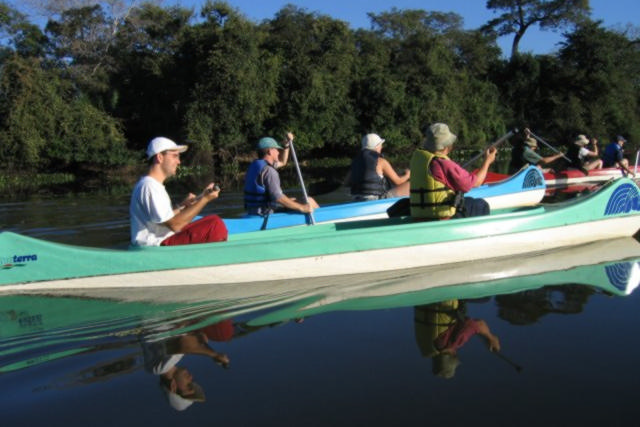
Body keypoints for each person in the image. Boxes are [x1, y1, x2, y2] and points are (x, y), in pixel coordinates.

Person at [129, 136, 228, 246]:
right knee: (215, 224)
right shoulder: (150, 186)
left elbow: (165, 219)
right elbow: (175, 225)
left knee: (211, 220)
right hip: (157, 245)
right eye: (175, 156)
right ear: (160, 157)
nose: (179, 162)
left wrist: (183, 206)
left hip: (162, 240)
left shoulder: (150, 185)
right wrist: (205, 199)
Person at [409, 122, 496, 220]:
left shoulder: (419, 159)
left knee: (469, 201)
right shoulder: (443, 164)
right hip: (442, 217)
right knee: (481, 205)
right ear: (446, 146)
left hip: (421, 216)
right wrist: (487, 161)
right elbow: (477, 182)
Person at [142, 330, 230, 411]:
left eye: (188, 386)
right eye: (192, 382)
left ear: (173, 387)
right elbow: (189, 341)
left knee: (225, 332)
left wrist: (215, 355)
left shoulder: (159, 368)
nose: (191, 378)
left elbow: (185, 343)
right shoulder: (155, 366)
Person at [414, 300, 500, 379]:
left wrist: (490, 337)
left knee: (485, 299)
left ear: (453, 356)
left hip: (445, 297)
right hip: (426, 300)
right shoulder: (426, 345)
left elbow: (479, 324)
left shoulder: (452, 344)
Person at [244, 132, 319, 216]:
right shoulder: (269, 171)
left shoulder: (255, 165)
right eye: (276, 149)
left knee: (307, 200)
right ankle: (321, 222)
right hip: (265, 213)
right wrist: (302, 208)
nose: (278, 152)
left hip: (254, 211)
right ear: (270, 151)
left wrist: (286, 145)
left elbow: (283, 162)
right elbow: (278, 198)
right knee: (310, 202)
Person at [347, 133, 410, 200]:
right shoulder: (381, 161)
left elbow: (347, 182)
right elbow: (398, 181)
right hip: (375, 199)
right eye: (380, 145)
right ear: (376, 146)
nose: (382, 147)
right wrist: (408, 175)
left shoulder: (355, 161)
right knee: (410, 185)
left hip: (355, 198)